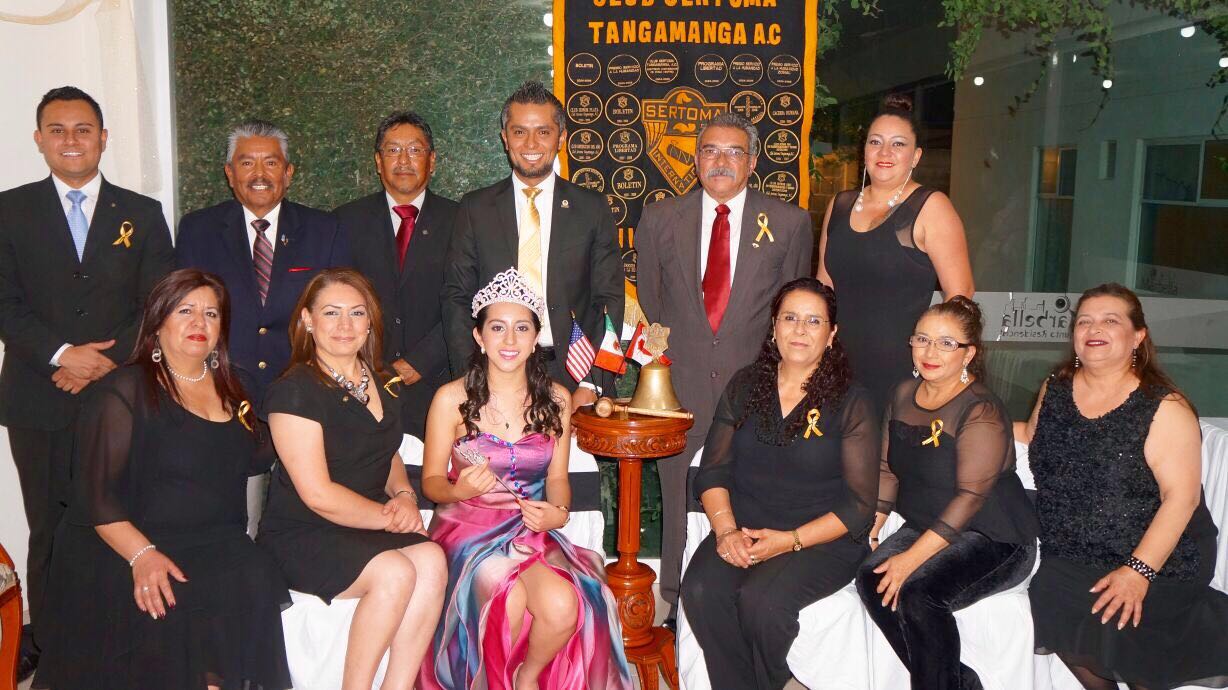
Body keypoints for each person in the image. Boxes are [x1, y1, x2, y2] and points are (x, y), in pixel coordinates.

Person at [32, 269, 290, 690]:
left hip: (216, 540)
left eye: (211, 313)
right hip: (128, 540)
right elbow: (95, 498)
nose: (199, 322)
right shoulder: (123, 390)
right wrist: (143, 556)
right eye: (184, 311)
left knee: (256, 575)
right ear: (157, 324)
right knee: (174, 596)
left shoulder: (237, 386)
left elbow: (258, 455)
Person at [0, 85, 174, 678]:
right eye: (57, 130)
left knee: (123, 519)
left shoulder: (141, 213)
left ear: (103, 138)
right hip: (38, 398)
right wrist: (61, 355)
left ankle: (120, 645)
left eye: (82, 129)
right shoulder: (10, 210)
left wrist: (105, 361)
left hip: (121, 398)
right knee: (50, 528)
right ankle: (55, 653)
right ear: (39, 139)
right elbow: (5, 302)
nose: (70, 140)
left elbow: (159, 301)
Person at [635, 111, 813, 623]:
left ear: (752, 163)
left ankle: (746, 598)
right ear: (695, 159)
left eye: (734, 152)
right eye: (710, 150)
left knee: (752, 496)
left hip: (755, 394)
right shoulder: (660, 218)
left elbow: (793, 311)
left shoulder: (789, 222)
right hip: (680, 388)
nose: (721, 161)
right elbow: (653, 299)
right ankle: (674, 601)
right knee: (676, 496)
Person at [420, 268, 632, 690]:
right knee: (507, 596)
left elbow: (558, 479)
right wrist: (459, 489)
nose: (510, 340)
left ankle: (525, 679)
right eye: (497, 328)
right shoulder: (451, 399)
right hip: (468, 531)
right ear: (479, 336)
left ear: (536, 338)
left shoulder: (557, 399)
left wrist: (559, 513)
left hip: (530, 531)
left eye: (522, 328)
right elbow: (430, 482)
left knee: (564, 605)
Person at [1019, 283, 1228, 690]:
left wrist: (1137, 572)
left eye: (1110, 320)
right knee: (1049, 594)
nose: (1094, 329)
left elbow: (1181, 499)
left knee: (1116, 620)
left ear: (1138, 336)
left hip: (1159, 554)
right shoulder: (1056, 386)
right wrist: (962, 426)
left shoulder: (1164, 406)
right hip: (1074, 551)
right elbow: (1029, 434)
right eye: (1084, 321)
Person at [680, 278, 875, 690]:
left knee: (763, 605)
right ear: (774, 326)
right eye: (790, 318)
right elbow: (713, 470)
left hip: (822, 537)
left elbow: (859, 506)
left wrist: (789, 541)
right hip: (745, 526)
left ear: (832, 333)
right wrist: (726, 531)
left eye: (813, 321)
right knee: (700, 590)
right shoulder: (746, 384)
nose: (800, 330)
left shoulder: (852, 400)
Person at [254, 268, 444, 690]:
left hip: (367, 523)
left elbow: (386, 450)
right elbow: (318, 495)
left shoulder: (383, 381)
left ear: (370, 322)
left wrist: (404, 495)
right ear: (307, 320)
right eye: (331, 312)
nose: (345, 325)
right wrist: (388, 517)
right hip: (304, 532)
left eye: (357, 313)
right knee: (395, 572)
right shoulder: (293, 391)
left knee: (432, 560)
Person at [856, 296, 1039, 690]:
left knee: (919, 591)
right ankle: (958, 683)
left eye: (946, 343)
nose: (930, 352)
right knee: (873, 578)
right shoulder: (902, 393)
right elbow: (887, 469)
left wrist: (909, 560)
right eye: (922, 339)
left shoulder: (981, 409)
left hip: (995, 535)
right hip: (929, 523)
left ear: (968, 353)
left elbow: (970, 499)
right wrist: (872, 529)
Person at [441, 80, 623, 410]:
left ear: (561, 138)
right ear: (505, 138)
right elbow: (457, 297)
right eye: (519, 132)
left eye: (543, 132)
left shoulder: (591, 208)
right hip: (493, 374)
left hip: (572, 374)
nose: (531, 143)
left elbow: (608, 299)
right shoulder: (475, 209)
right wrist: (472, 377)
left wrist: (592, 383)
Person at [817, 93, 973, 417]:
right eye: (875, 142)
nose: (885, 152)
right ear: (864, 151)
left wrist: (936, 358)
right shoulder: (840, 205)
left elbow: (961, 295)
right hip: (838, 365)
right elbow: (824, 286)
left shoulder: (931, 207)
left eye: (898, 144)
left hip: (901, 369)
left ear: (916, 156)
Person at [176, 119, 350, 399]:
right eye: (247, 163)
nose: (259, 174)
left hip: (304, 391)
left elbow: (342, 315)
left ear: (288, 173)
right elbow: (181, 316)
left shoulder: (325, 230)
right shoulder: (197, 230)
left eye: (271, 163)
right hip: (219, 390)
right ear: (230, 173)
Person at [335, 110, 458, 439]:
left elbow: (468, 303)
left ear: (432, 161)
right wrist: (364, 365)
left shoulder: (461, 221)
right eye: (393, 150)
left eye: (415, 150)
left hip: (438, 385)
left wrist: (420, 361)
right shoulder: (345, 221)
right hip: (362, 384)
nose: (404, 160)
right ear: (378, 161)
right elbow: (334, 302)